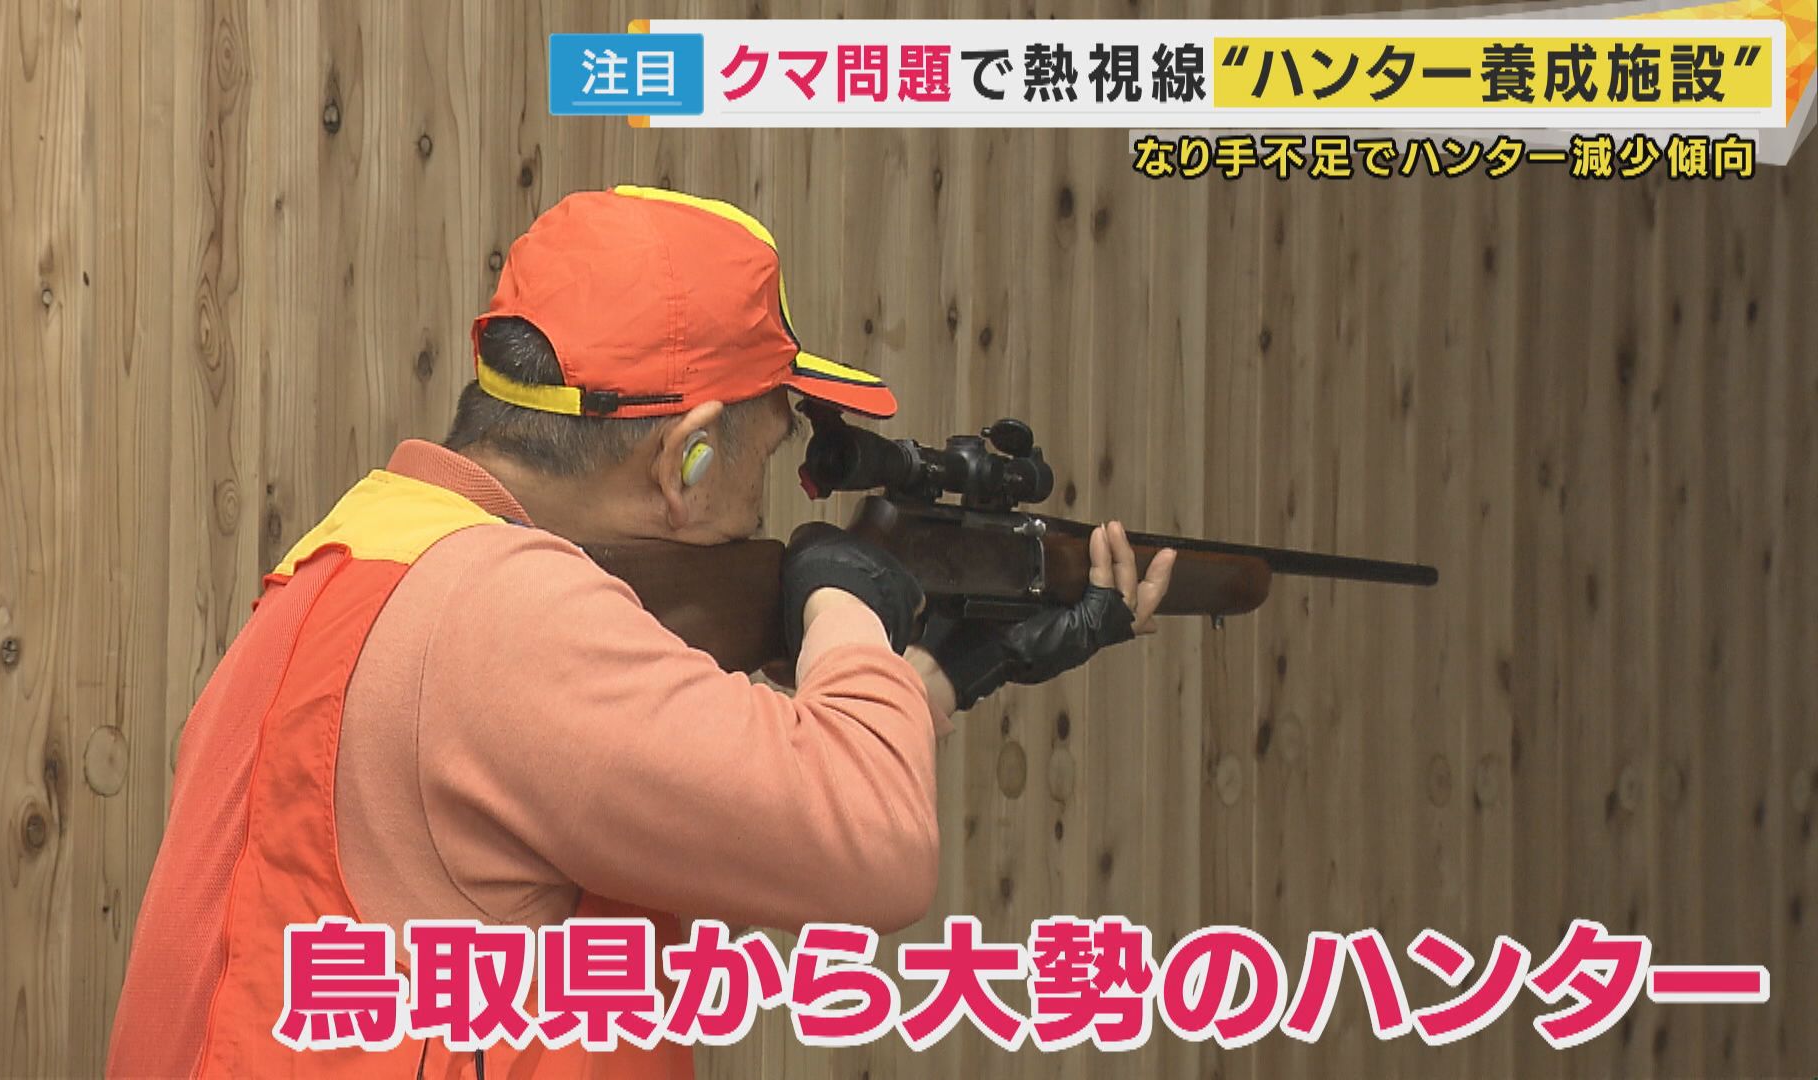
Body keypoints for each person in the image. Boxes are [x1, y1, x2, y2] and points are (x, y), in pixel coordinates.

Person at [107, 185, 1175, 1078]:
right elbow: (878, 855)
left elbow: (695, 820)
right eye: (774, 451)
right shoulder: (507, 611)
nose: (769, 499)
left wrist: (936, 677)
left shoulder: (362, 557)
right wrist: (850, 600)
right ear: (687, 460)